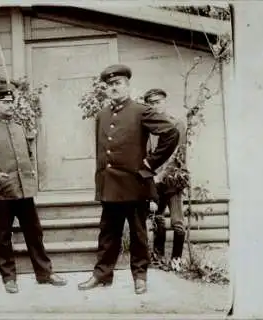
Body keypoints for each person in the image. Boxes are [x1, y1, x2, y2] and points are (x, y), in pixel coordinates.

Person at [77, 65, 180, 295]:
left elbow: (171, 133)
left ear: (127, 85)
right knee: (107, 233)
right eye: (110, 85)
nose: (113, 87)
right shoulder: (102, 115)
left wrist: (151, 163)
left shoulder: (140, 111)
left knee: (138, 234)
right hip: (110, 185)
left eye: (118, 83)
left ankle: (140, 276)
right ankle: (102, 275)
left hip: (135, 184)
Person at [0, 84, 67, 294]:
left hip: (24, 191)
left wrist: (29, 174)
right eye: (5, 102)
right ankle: (9, 277)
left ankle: (45, 273)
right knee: (4, 236)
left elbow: (27, 155)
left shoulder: (19, 127)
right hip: (2, 193)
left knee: (35, 233)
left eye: (11, 102)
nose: (10, 106)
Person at [144, 88, 188, 272]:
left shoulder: (177, 124)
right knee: (157, 218)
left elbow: (179, 154)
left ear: (165, 102)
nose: (155, 105)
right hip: (153, 179)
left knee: (177, 222)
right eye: (151, 103)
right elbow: (145, 153)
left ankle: (176, 258)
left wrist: (161, 175)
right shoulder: (147, 127)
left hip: (172, 179)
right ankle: (158, 257)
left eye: (158, 101)